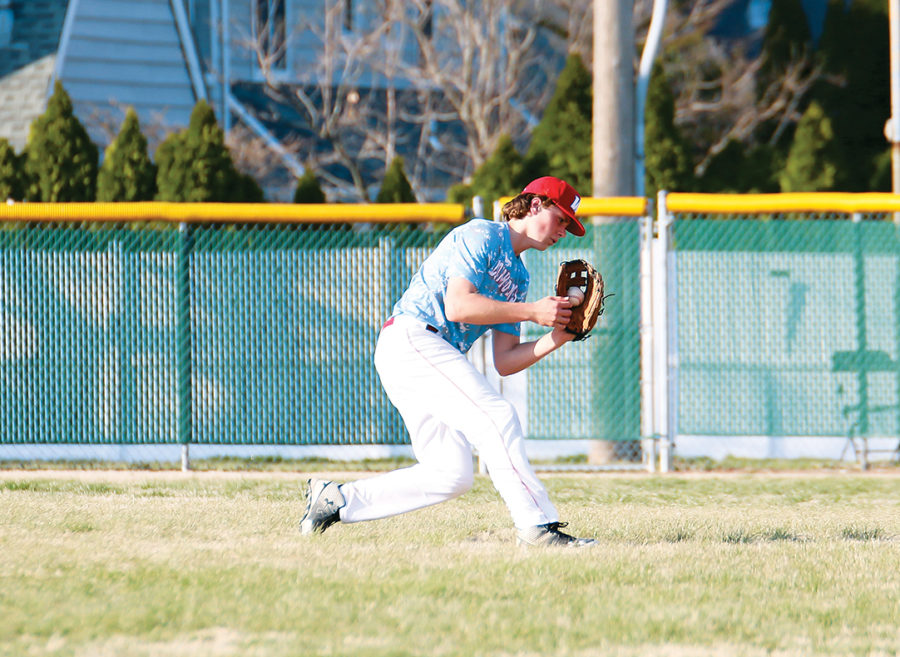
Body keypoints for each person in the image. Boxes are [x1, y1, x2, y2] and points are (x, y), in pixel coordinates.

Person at [300, 176, 596, 548]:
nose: (564, 231)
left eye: (569, 225)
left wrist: (557, 337)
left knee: (451, 473)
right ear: (535, 205)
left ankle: (337, 499)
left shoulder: (519, 278)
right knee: (497, 416)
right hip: (414, 338)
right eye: (562, 218)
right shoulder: (482, 235)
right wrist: (534, 312)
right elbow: (458, 306)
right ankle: (538, 527)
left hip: (428, 355)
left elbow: (504, 360)